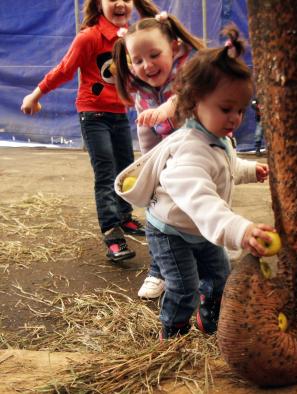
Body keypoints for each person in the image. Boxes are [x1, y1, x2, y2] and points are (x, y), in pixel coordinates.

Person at [115, 25, 277, 339]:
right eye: (226, 109)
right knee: (183, 287)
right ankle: (173, 331)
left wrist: (246, 170)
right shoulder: (189, 147)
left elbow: (222, 168)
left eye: (241, 110)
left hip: (200, 228)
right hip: (172, 230)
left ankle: (209, 318)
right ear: (195, 102)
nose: (235, 118)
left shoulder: (216, 137)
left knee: (220, 277)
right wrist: (239, 230)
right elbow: (200, 198)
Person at [20, 0, 147, 264]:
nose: (121, 3)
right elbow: (65, 69)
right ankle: (112, 236)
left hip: (120, 114)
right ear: (99, 4)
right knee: (105, 172)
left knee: (125, 168)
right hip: (94, 115)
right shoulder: (89, 37)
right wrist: (35, 95)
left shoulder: (129, 36)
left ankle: (124, 217)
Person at [112, 5, 205, 299]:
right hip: (165, 159)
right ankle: (159, 271)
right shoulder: (137, 85)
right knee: (158, 217)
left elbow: (187, 96)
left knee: (199, 212)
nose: (147, 65)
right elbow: (145, 131)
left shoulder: (189, 69)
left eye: (154, 55)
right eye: (137, 60)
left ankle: (206, 267)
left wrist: (166, 108)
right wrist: (149, 171)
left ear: (174, 47)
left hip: (197, 156)